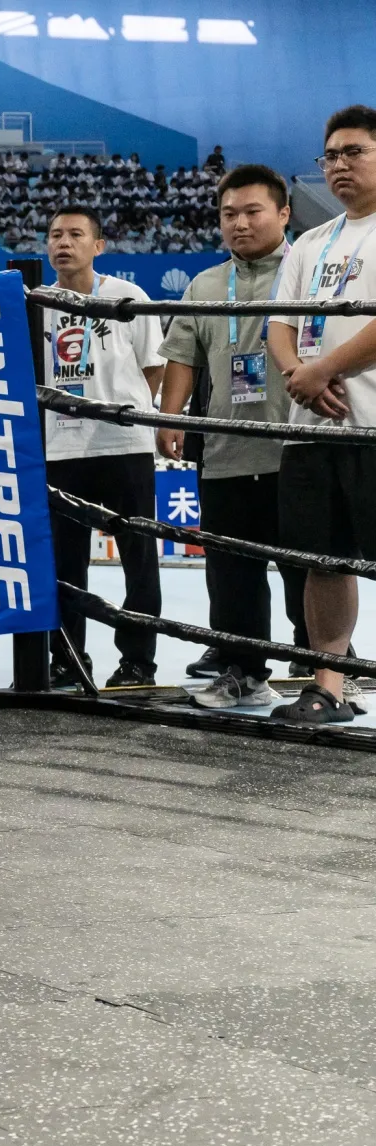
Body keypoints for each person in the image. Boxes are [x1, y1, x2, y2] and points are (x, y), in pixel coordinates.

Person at [157, 164, 306, 711]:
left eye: (252, 212)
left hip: (301, 448)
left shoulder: (308, 270)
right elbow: (182, 358)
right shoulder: (206, 284)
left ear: (284, 213)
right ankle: (244, 670)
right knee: (233, 570)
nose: (239, 224)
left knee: (308, 565)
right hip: (225, 450)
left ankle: (326, 667)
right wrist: (169, 417)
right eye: (228, 214)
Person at [269, 105, 376, 724]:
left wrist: (323, 370)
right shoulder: (312, 240)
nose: (338, 164)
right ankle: (329, 685)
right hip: (311, 426)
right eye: (329, 155)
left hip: (372, 423)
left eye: (353, 151)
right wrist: (300, 378)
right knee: (323, 559)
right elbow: (278, 326)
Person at [39, 205, 166, 689]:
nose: (63, 242)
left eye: (74, 233)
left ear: (99, 245)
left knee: (139, 557)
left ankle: (138, 661)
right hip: (61, 448)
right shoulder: (36, 302)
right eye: (54, 234)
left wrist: (126, 410)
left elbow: (152, 368)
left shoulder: (127, 296)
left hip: (123, 443)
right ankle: (68, 657)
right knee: (65, 562)